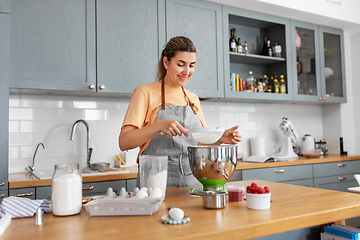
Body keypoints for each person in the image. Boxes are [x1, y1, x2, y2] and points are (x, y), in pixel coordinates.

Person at [119, 36, 241, 188]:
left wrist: (220, 139)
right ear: (166, 62)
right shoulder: (145, 93)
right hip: (154, 183)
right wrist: (158, 126)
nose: (187, 71)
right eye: (181, 64)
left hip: (191, 181)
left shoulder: (193, 99)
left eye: (191, 65)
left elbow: (199, 143)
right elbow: (124, 142)